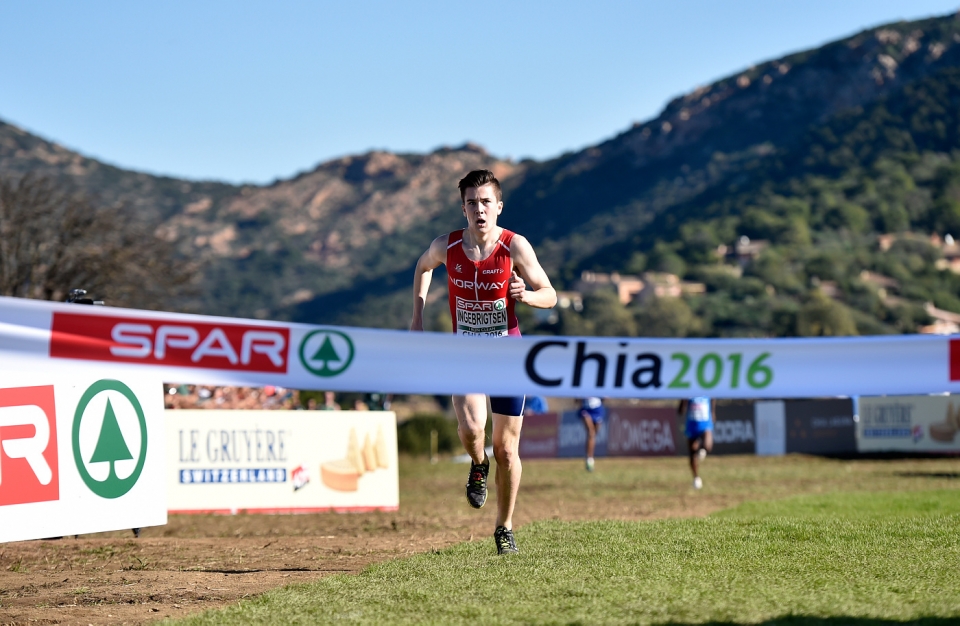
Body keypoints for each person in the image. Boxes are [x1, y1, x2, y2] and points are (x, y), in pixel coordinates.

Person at [411, 169, 557, 555]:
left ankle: (504, 527)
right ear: (463, 209)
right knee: (473, 430)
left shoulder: (515, 246)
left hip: (509, 355)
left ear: (499, 206)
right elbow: (422, 267)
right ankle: (478, 464)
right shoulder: (448, 246)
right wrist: (417, 318)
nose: (480, 209)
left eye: (486, 202)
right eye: (472, 203)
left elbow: (551, 294)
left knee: (508, 450)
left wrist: (527, 296)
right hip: (466, 354)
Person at [678, 397, 715, 489]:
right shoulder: (688, 393)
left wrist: (713, 412)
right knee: (692, 453)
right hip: (691, 425)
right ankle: (696, 477)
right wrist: (683, 400)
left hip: (705, 424)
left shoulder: (707, 390)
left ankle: (702, 449)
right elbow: (680, 411)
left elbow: (713, 398)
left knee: (707, 445)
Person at [579, 397, 605, 472]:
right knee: (591, 432)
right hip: (585, 409)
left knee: (593, 435)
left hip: (597, 409)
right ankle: (589, 459)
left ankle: (590, 456)